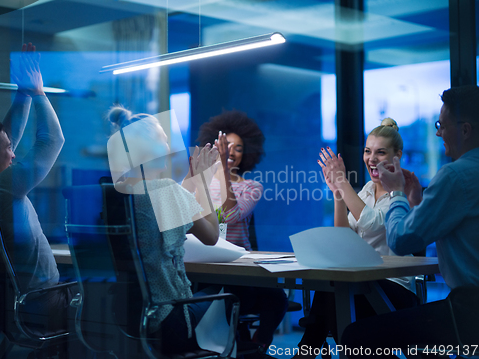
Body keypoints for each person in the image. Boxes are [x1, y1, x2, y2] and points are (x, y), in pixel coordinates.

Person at [340, 85, 479, 358]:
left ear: (465, 130)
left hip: (468, 310)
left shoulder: (455, 176)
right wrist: (415, 204)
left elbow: (402, 240)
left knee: (354, 337)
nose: (438, 132)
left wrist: (396, 193)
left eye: (442, 124)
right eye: (368, 151)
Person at [293, 118, 418, 358]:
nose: (371, 158)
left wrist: (342, 181)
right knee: (334, 291)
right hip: (362, 282)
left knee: (335, 299)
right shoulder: (366, 191)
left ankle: (306, 352)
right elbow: (345, 236)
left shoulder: (401, 192)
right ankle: (309, 352)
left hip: (394, 287)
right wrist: (338, 195)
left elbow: (370, 222)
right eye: (367, 151)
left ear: (397, 156)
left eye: (380, 152)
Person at [107, 106, 223, 354]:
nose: (171, 148)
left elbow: (166, 210)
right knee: (232, 291)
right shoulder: (164, 191)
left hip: (126, 314)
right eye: (165, 140)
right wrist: (203, 181)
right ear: (149, 149)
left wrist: (188, 185)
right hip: (169, 318)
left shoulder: (119, 192)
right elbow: (212, 235)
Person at [0, 43, 76, 337]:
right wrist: (38, 93)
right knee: (115, 293)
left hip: (6, 304)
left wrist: (23, 93)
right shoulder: (5, 189)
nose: (14, 154)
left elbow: (5, 139)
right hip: (43, 302)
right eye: (9, 150)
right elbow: (52, 141)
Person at [197, 110, 288, 349]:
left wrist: (224, 173)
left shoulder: (251, 187)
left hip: (239, 267)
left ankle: (258, 343)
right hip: (205, 266)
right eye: (226, 145)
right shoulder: (200, 184)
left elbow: (230, 215)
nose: (231, 152)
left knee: (277, 299)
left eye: (238, 148)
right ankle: (240, 344)